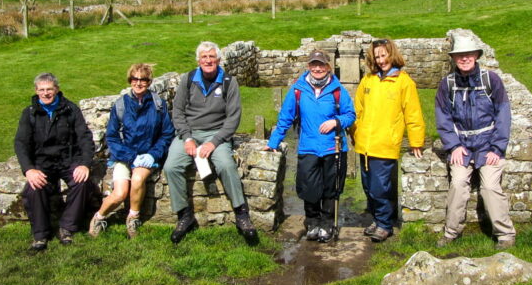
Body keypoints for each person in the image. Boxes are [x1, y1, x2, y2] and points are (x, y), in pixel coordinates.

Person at [163, 41, 257, 244]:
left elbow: (233, 118)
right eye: (204, 57)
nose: (208, 60)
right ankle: (184, 215)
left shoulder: (229, 82)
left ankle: (241, 214)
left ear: (218, 60)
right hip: (190, 133)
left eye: (212, 57)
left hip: (217, 133)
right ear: (198, 60)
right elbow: (177, 112)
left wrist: (213, 143)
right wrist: (187, 138)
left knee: (225, 164)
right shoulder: (188, 79)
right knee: (171, 166)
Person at [264, 50, 356, 242]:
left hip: (334, 148)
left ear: (328, 67)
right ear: (308, 67)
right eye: (314, 65)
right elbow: (286, 117)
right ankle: (312, 222)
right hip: (308, 147)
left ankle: (327, 224)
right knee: (309, 188)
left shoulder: (338, 90)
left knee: (331, 189)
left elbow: (350, 115)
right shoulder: (298, 90)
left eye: (321, 65)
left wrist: (336, 122)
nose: (317, 68)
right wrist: (273, 141)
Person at [434, 35, 516, 249]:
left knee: (489, 186)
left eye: (468, 54)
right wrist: (453, 146)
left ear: (476, 56)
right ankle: (451, 232)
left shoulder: (491, 80)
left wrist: (497, 148)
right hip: (462, 145)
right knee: (459, 183)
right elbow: (443, 117)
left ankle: (505, 234)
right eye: (460, 55)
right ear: (454, 58)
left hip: (488, 145)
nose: (464, 58)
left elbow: (503, 114)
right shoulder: (448, 84)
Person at [88, 64, 175, 239]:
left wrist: (153, 154)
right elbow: (112, 137)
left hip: (148, 156)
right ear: (130, 80)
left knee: (137, 178)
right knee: (120, 193)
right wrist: (130, 157)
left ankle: (133, 218)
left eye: (143, 79)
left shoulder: (158, 104)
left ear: (149, 81)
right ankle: (98, 217)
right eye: (135, 79)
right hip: (124, 155)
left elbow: (167, 133)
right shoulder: (120, 105)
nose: (139, 83)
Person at [353, 38, 426, 242]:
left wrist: (416, 141)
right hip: (365, 145)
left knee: (381, 188)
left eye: (384, 55)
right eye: (377, 56)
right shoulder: (368, 80)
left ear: (392, 55)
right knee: (368, 187)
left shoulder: (404, 82)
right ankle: (378, 219)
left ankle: (385, 224)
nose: (381, 59)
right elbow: (357, 109)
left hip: (385, 144)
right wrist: (354, 132)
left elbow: (413, 114)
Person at [14, 72, 95, 253]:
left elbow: (84, 138)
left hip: (68, 159)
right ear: (36, 91)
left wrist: (84, 164)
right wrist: (29, 170)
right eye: (41, 90)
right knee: (34, 189)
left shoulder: (70, 109)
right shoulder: (29, 114)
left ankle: (67, 228)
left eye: (49, 89)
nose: (46, 93)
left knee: (82, 183)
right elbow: (21, 143)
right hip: (42, 163)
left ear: (57, 90)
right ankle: (40, 235)